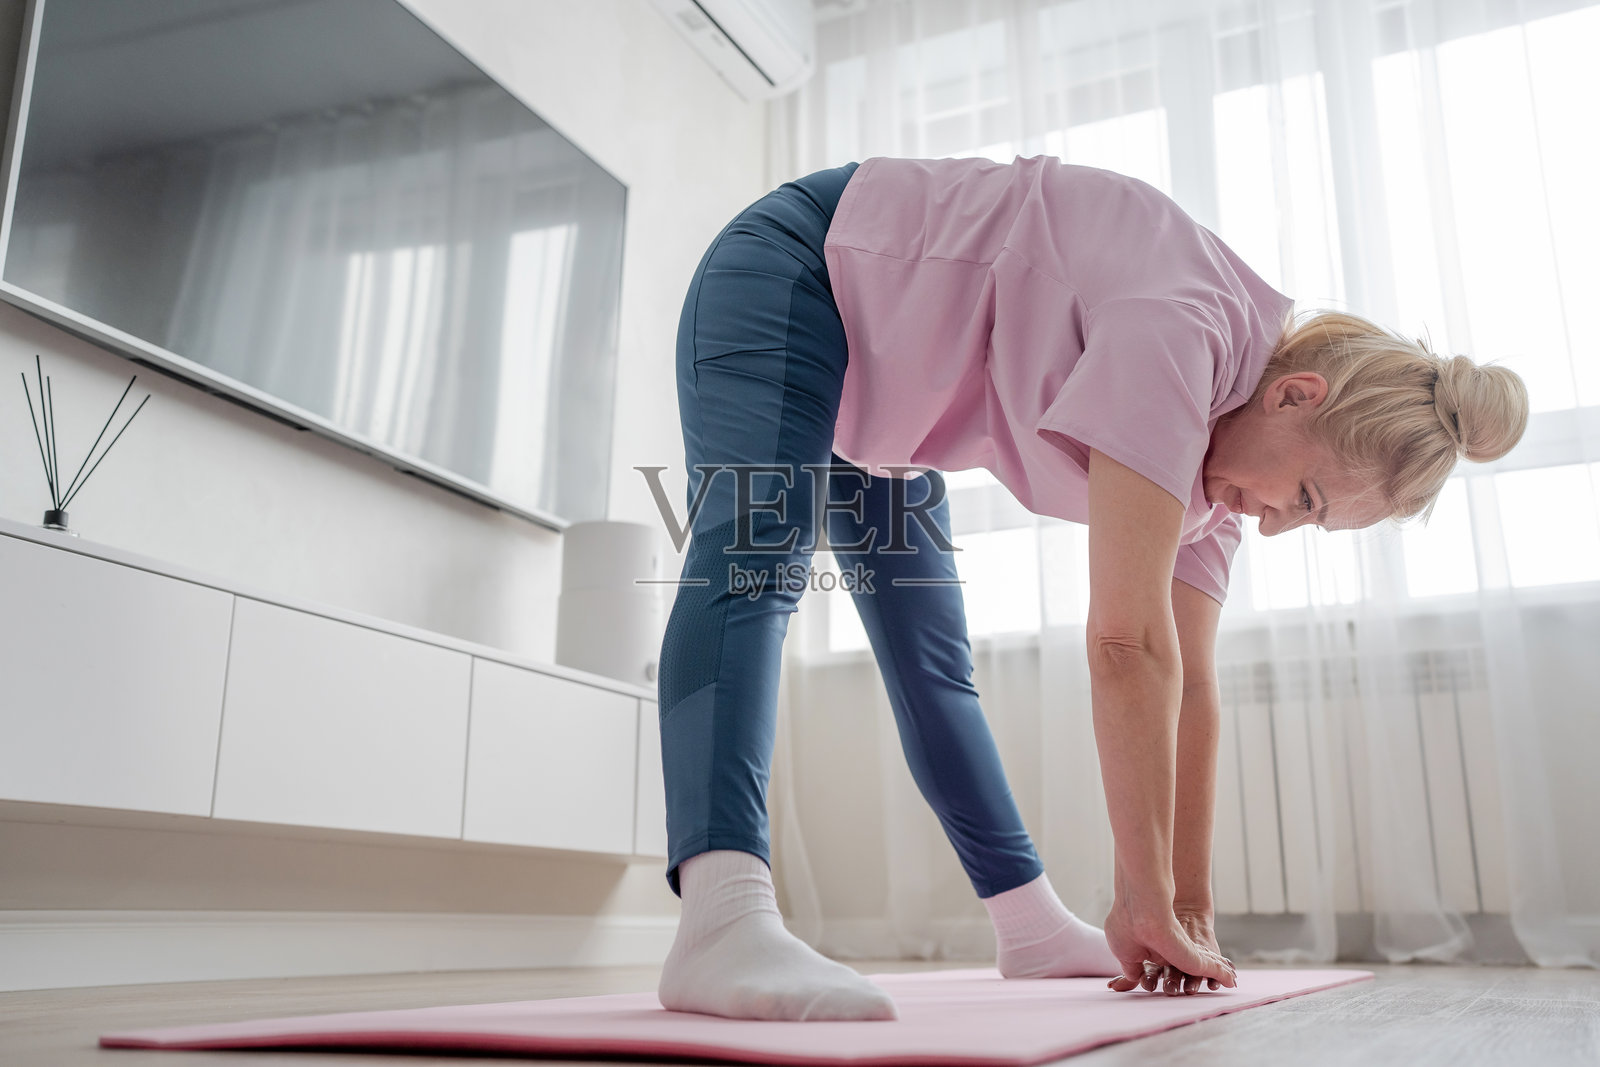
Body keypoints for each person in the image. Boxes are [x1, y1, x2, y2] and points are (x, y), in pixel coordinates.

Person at [651, 156, 1529, 1022]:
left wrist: (1188, 909)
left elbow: (1189, 683)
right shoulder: (1184, 332)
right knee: (753, 564)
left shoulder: (1220, 479)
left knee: (930, 658)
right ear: (1297, 395)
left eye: (1308, 520)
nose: (1273, 524)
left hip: (886, 411)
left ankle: (1028, 924)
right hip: (801, 271)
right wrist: (1140, 896)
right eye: (1304, 498)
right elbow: (1126, 643)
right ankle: (719, 913)